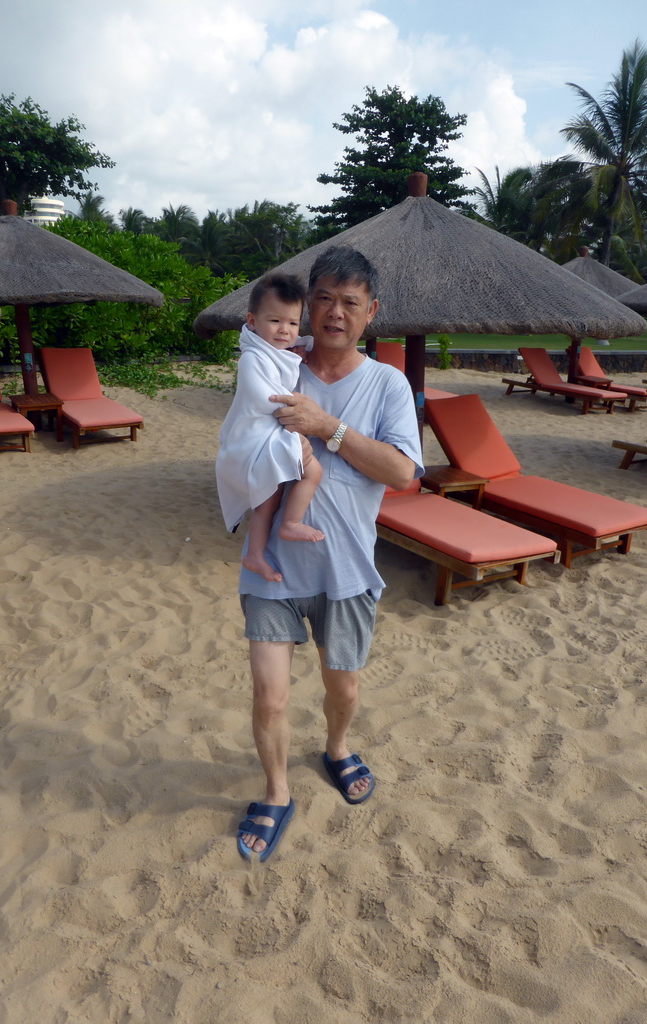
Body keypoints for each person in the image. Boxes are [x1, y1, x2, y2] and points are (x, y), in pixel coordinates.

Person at [236, 246, 423, 862]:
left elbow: (402, 473)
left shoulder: (388, 383)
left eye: (349, 302)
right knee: (270, 696)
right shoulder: (278, 365)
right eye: (323, 299)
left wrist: (327, 428)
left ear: (372, 310)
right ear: (306, 304)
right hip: (273, 571)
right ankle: (276, 790)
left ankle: (337, 748)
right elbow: (243, 438)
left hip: (346, 571)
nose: (334, 313)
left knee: (341, 689)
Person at [216, 273, 324, 583]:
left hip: (268, 433)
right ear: (252, 321)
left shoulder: (276, 351)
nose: (284, 330)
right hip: (256, 435)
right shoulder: (251, 357)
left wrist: (297, 351)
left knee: (268, 499)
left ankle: (254, 554)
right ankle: (291, 523)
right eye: (275, 321)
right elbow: (263, 396)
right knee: (312, 471)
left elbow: (303, 343)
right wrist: (294, 406)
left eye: (292, 323)